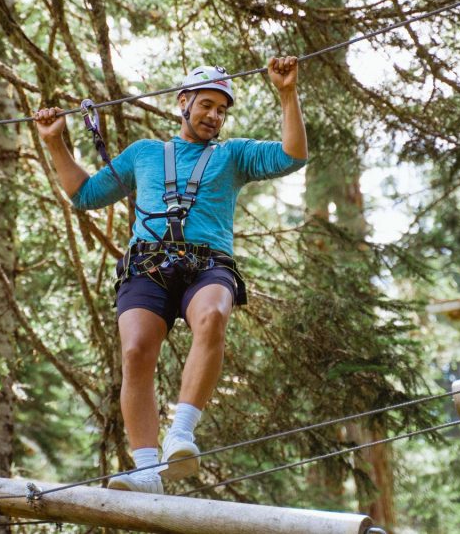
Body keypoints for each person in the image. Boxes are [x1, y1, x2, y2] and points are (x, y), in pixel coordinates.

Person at [33, 56, 308, 493]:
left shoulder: (232, 156)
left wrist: (287, 93)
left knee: (214, 315)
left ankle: (180, 435)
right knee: (136, 351)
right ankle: (146, 472)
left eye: (222, 110)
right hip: (148, 264)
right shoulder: (144, 154)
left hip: (206, 264)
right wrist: (55, 143)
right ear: (183, 102)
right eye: (206, 105)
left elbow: (293, 156)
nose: (214, 116)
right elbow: (85, 195)